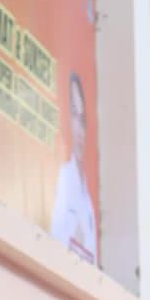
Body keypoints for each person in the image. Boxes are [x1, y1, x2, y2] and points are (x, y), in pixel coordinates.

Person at [50, 72, 98, 266]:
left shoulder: (88, 201)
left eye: (82, 119)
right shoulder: (61, 179)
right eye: (74, 116)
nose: (79, 130)